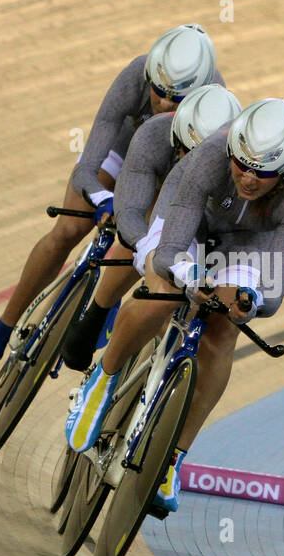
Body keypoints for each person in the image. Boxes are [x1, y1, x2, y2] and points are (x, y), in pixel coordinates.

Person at [64, 98, 284, 514]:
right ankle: (102, 380)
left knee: (223, 333)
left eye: (264, 173)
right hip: (190, 218)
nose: (249, 179)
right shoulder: (211, 156)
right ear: (232, 150)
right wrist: (188, 277)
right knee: (161, 293)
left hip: (247, 245)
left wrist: (247, 301)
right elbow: (169, 251)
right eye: (242, 165)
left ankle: (174, 457)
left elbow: (273, 293)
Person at [0, 24, 222, 391]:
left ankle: (109, 296)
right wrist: (100, 198)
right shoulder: (135, 75)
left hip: (165, 166)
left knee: (150, 229)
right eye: (159, 93)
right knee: (69, 227)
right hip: (125, 144)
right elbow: (87, 167)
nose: (164, 104)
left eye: (177, 100)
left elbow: (186, 198)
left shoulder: (215, 107)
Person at [58, 82, 243, 372]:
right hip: (162, 195)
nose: (189, 162)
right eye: (184, 151)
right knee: (148, 232)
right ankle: (98, 312)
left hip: (210, 208)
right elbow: (133, 214)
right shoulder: (157, 132)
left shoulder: (235, 164)